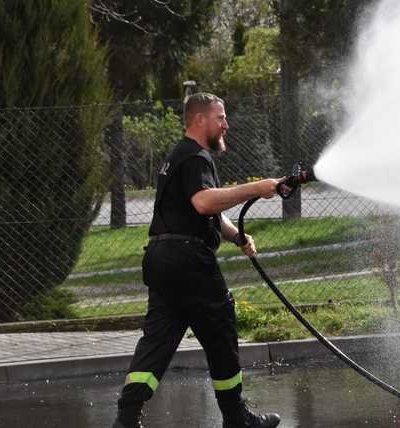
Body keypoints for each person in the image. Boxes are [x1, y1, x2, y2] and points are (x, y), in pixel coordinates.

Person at [112, 93, 284, 428]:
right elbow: (205, 203)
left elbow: (206, 214)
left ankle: (126, 418)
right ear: (199, 119)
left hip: (162, 259)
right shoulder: (195, 157)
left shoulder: (179, 156)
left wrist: (237, 237)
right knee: (220, 331)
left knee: (158, 341)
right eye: (220, 117)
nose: (226, 124)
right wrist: (256, 188)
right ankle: (236, 419)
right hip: (189, 261)